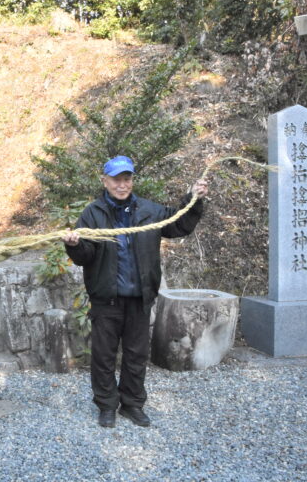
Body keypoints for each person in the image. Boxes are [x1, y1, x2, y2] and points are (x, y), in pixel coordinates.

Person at [62, 155, 208, 429]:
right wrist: (73, 245)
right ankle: (107, 405)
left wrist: (194, 198)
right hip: (107, 299)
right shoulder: (93, 214)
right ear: (104, 181)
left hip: (140, 298)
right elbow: (85, 256)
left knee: (136, 355)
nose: (122, 184)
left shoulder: (149, 211)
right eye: (116, 179)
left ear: (132, 180)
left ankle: (132, 404)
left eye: (126, 178)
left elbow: (179, 225)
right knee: (104, 356)